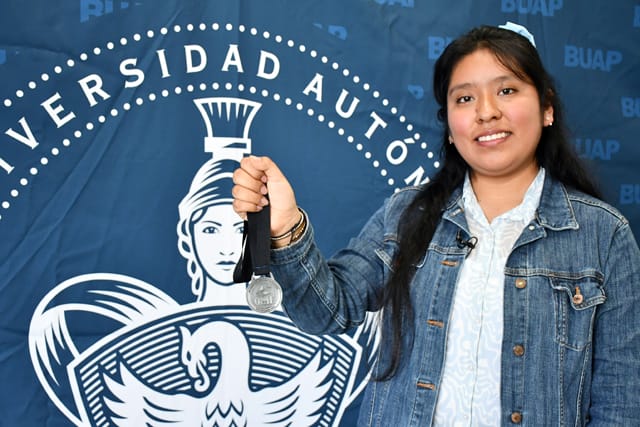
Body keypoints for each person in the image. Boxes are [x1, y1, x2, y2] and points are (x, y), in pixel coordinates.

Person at [231, 24, 640, 426]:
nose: (486, 112)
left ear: (547, 107)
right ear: (449, 127)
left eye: (506, 90)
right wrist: (285, 227)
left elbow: (620, 403)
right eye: (465, 98)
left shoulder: (604, 234)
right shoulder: (407, 214)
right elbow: (327, 312)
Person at [177, 158, 247, 305]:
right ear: (188, 240)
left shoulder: (289, 314)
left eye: (241, 229)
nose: (226, 250)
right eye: (211, 230)